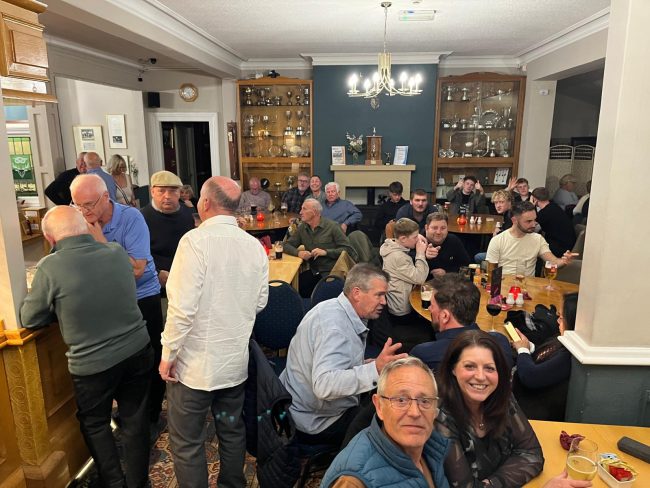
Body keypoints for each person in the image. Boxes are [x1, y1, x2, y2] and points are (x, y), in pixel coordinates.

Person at [20, 206, 153, 488]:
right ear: (86, 228)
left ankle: (114, 483)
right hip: (137, 348)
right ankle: (139, 482)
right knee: (135, 419)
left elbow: (29, 318)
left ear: (50, 238)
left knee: (95, 422)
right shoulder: (116, 252)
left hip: (93, 362)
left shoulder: (50, 266)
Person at [159, 176, 269, 488]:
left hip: (194, 367)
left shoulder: (194, 242)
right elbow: (260, 301)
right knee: (231, 431)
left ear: (205, 203)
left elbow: (182, 308)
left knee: (187, 441)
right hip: (234, 362)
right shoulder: (253, 246)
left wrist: (168, 354)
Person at [70, 174, 164, 426]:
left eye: (88, 205)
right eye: (77, 205)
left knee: (149, 359)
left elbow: (136, 270)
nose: (83, 211)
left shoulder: (131, 218)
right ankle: (129, 416)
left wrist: (101, 242)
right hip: (104, 301)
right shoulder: (76, 219)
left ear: (105, 197)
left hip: (141, 296)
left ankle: (152, 416)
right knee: (118, 363)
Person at [280, 264, 407, 449]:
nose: (384, 302)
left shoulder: (332, 308)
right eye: (379, 295)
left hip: (298, 404)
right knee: (389, 417)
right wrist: (374, 370)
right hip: (315, 421)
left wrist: (366, 365)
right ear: (356, 293)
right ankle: (348, 466)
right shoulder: (335, 328)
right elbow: (324, 385)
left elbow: (334, 362)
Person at [435, 330, 544, 487]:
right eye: (470, 366)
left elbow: (531, 453)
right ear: (453, 369)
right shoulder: (440, 415)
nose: (480, 376)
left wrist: (491, 483)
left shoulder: (501, 395)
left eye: (489, 368)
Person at [321, 357, 451, 488]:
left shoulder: (435, 447)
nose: (415, 412)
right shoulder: (354, 481)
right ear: (379, 406)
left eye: (425, 401)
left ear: (435, 409)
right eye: (401, 400)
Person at [410, 273, 513, 372]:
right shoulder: (501, 342)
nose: (429, 308)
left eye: (432, 305)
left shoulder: (422, 354)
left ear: (445, 316)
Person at [512, 293, 578, 421]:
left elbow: (531, 376)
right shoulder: (561, 339)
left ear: (572, 321)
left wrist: (523, 350)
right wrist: (529, 346)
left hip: (529, 412)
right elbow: (546, 354)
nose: (557, 321)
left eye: (561, 317)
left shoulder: (569, 356)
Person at [283, 198, 355, 297]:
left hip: (332, 272)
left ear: (314, 212)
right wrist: (298, 253)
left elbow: (348, 250)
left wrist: (326, 252)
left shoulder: (333, 227)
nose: (300, 212)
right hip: (315, 271)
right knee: (291, 288)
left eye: (304, 209)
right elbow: (286, 245)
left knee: (318, 294)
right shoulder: (303, 228)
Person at [380, 217, 433, 351]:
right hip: (402, 312)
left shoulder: (392, 245)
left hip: (400, 301)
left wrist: (416, 236)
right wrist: (420, 253)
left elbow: (408, 238)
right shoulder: (398, 257)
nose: (417, 240)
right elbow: (420, 278)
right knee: (430, 324)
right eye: (415, 237)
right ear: (403, 239)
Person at [141, 171, 194, 297]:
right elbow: (137, 255)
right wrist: (156, 273)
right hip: (154, 283)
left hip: (187, 281)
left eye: (173, 191)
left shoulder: (187, 214)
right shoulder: (141, 218)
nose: (167, 196)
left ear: (179, 193)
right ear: (152, 192)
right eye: (161, 191)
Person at [485, 201, 575, 276]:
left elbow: (553, 262)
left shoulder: (538, 239)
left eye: (534, 220)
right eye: (528, 221)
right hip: (504, 285)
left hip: (528, 287)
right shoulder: (498, 240)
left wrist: (564, 260)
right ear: (514, 220)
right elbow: (490, 273)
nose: (534, 224)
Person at [531, 187, 576, 257]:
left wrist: (531, 207)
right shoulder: (554, 206)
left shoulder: (544, 213)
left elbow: (531, 228)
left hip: (560, 248)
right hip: (568, 244)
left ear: (535, 199)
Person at [475, 190, 513, 263]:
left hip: (507, 254)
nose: (498, 206)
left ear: (509, 202)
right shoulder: (508, 213)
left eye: (501, 202)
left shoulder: (510, 216)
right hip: (505, 251)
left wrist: (498, 233)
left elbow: (508, 238)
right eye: (496, 203)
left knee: (478, 257)